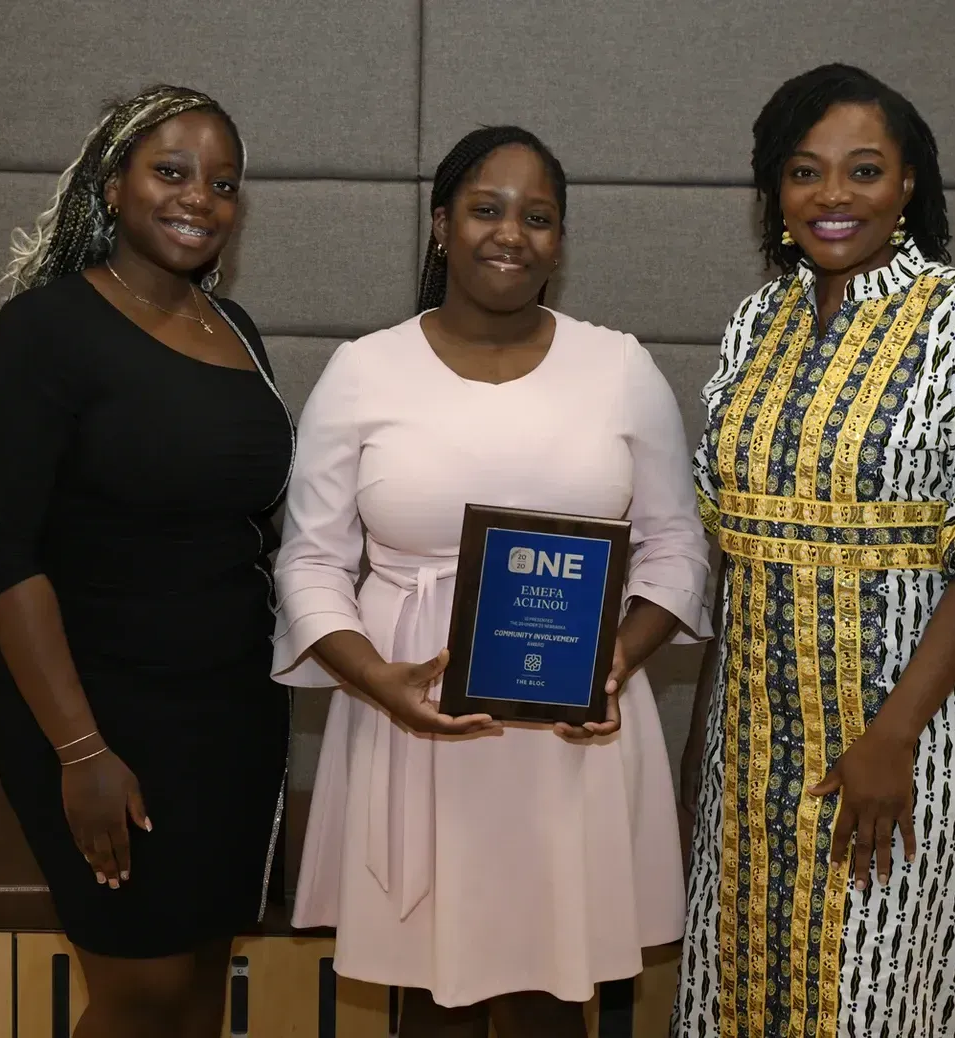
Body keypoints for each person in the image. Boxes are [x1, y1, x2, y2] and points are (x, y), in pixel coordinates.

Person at [271, 125, 710, 1037]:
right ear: (440, 225)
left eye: (539, 217)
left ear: (561, 240)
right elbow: (311, 561)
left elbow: (676, 551)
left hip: (571, 735)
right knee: (432, 1007)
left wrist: (617, 662)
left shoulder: (621, 369)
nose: (512, 233)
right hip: (414, 721)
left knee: (555, 1006)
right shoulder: (364, 370)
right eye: (486, 208)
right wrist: (374, 680)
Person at [672, 64, 955, 1038]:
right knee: (738, 1001)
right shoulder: (756, 324)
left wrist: (890, 738)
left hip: (905, 753)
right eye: (804, 172)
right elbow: (734, 552)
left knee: (873, 1007)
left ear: (909, 183)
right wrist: (696, 756)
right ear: (773, 189)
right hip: (750, 757)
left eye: (864, 170)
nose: (833, 196)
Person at [0, 85, 293, 1038]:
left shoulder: (238, 332)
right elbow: (4, 559)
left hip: (228, 714)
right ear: (114, 186)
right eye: (172, 172)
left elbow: (257, 525)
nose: (199, 197)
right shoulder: (42, 334)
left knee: (194, 987)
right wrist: (81, 751)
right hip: (98, 712)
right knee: (139, 997)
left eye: (223, 183)